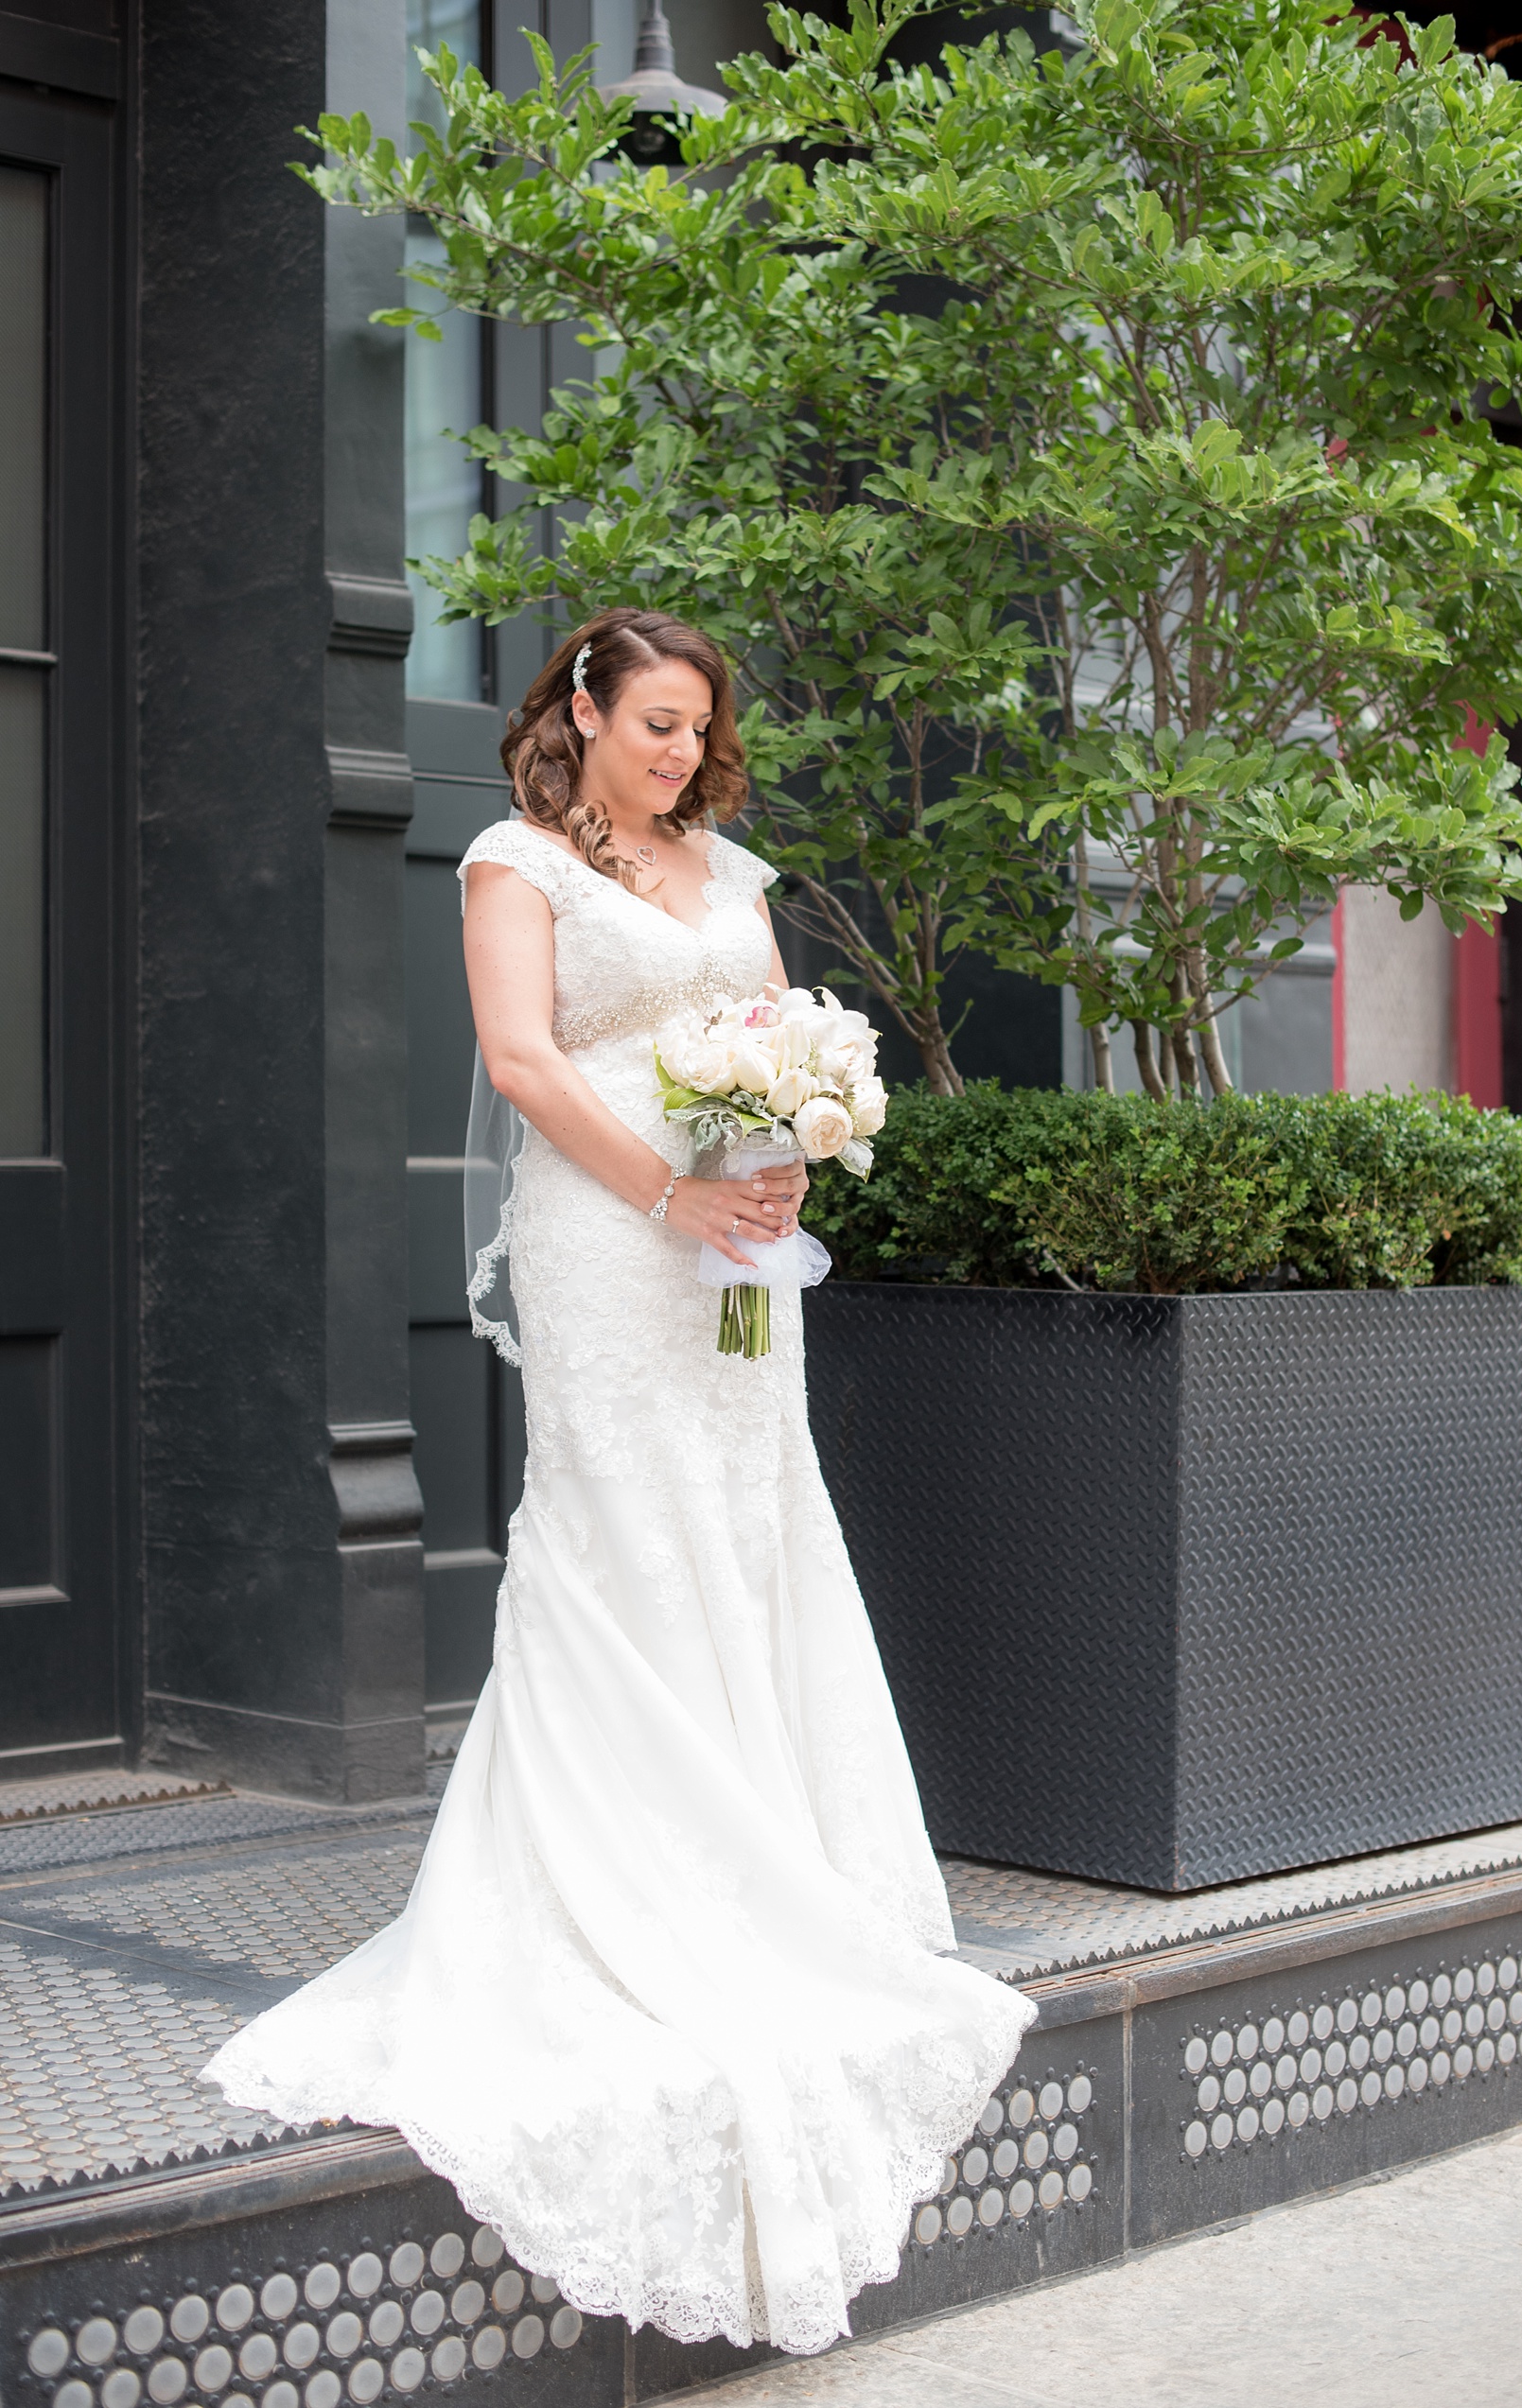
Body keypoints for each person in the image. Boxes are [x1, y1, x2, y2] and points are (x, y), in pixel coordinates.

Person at [204, 607, 1032, 2358]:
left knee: (751, 1521)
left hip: (733, 1241)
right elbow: (519, 1062)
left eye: (694, 729)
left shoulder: (724, 859)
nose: (676, 753)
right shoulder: (513, 860)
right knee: (625, 1535)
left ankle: (783, 1874)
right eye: (652, 722)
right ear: (580, 706)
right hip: (610, 1239)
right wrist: (666, 1193)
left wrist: (784, 1150)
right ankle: (616, 1904)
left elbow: (767, 1027)